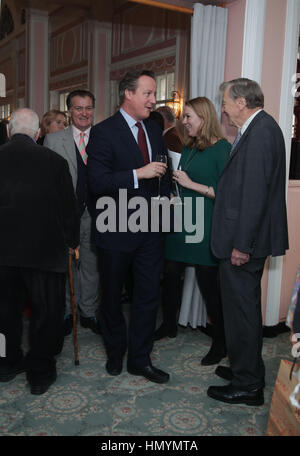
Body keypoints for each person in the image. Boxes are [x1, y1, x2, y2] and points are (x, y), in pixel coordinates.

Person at [207, 78, 289, 406]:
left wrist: (242, 244)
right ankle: (248, 370)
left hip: (243, 243)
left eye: (225, 102)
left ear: (242, 102)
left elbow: (254, 196)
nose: (222, 108)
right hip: (245, 239)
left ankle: (247, 385)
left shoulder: (260, 133)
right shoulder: (260, 128)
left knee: (241, 313)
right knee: (245, 311)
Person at [87, 69, 170, 383]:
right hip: (115, 228)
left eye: (153, 93)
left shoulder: (154, 130)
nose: (153, 100)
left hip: (150, 231)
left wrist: (162, 221)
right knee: (111, 297)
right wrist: (139, 173)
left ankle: (140, 359)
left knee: (148, 296)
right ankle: (114, 352)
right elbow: (97, 182)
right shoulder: (104, 132)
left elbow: (163, 176)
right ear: (128, 94)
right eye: (148, 93)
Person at [0, 108, 79, 394]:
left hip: (3, 254)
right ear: (38, 133)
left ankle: (5, 363)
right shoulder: (55, 161)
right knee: (46, 313)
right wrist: (72, 241)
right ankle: (40, 373)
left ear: (10, 131)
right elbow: (67, 208)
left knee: (4, 312)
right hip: (45, 253)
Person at [155, 97, 231, 367]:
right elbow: (183, 182)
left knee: (210, 286)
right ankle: (169, 325)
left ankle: (220, 343)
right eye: (183, 117)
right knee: (171, 274)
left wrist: (192, 184)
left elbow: (227, 194)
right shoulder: (189, 146)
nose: (183, 122)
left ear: (204, 117)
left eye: (188, 117)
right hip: (181, 220)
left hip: (206, 223)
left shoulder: (222, 149)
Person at [44, 89, 100, 336]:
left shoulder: (104, 137)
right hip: (67, 214)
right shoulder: (55, 140)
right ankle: (69, 311)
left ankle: (88, 311)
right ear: (69, 111)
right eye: (78, 108)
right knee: (67, 265)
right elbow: (48, 182)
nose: (84, 113)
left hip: (98, 213)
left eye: (88, 108)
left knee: (91, 265)